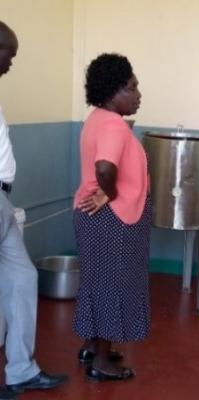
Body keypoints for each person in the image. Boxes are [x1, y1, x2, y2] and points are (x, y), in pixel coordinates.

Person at [73, 53, 151, 381]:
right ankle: (102, 362)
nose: (138, 94)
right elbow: (105, 167)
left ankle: (93, 345)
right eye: (132, 88)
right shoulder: (114, 125)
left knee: (96, 281)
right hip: (111, 219)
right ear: (113, 91)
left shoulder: (96, 118)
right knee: (111, 285)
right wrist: (112, 193)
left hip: (94, 217)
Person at [0, 21, 67, 398]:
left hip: (3, 201)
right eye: (9, 54)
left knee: (24, 279)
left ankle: (21, 370)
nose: (11, 62)